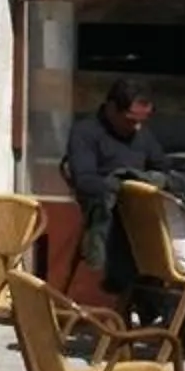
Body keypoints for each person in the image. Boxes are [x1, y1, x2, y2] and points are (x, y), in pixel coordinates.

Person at [66, 78, 166, 304]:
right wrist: (120, 187)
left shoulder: (141, 135)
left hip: (146, 211)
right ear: (111, 108)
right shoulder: (86, 132)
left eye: (143, 121)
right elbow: (84, 180)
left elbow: (161, 166)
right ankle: (143, 300)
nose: (137, 128)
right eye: (131, 121)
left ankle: (168, 304)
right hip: (107, 209)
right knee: (127, 235)